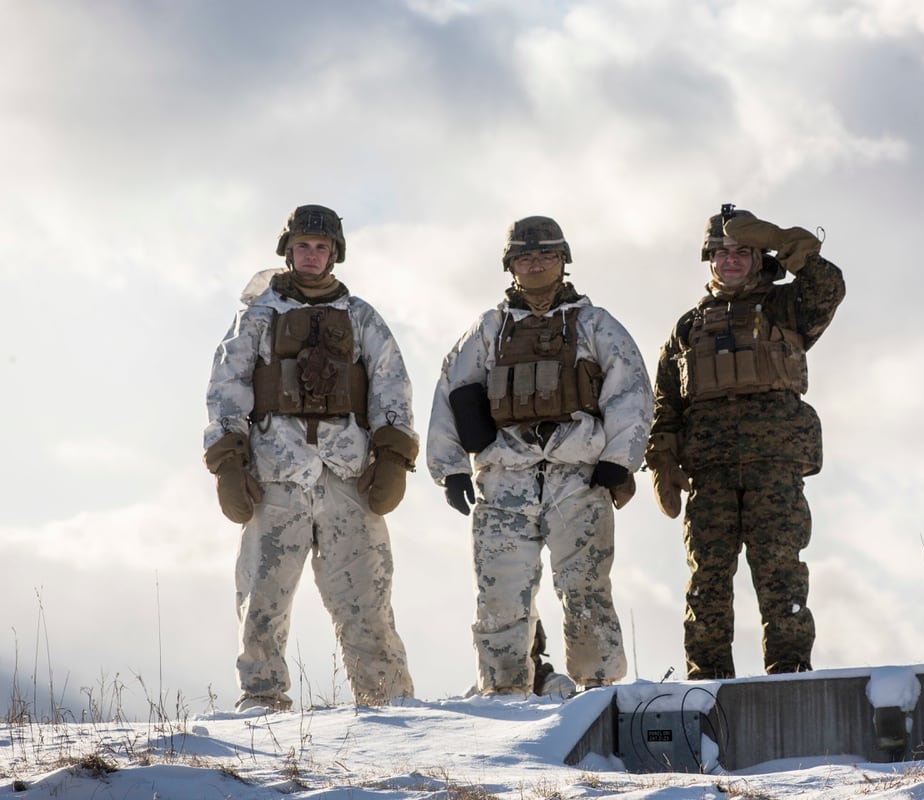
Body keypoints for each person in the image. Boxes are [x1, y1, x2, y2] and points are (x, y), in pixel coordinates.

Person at [203, 204, 420, 712]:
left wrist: (391, 455)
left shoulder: (362, 317)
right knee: (263, 596)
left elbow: (391, 384)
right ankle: (261, 698)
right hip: (275, 475)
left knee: (367, 600)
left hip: (349, 477)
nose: (312, 254)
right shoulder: (256, 317)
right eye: (303, 245)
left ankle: (388, 704)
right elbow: (226, 387)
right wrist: (228, 462)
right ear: (288, 249)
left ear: (335, 254)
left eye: (322, 247)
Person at [427, 215, 652, 695]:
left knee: (586, 589)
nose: (535, 264)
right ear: (510, 265)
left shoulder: (595, 325)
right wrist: (449, 469)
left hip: (579, 476)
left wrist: (619, 459)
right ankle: (503, 693)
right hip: (504, 477)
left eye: (546, 254)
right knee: (500, 597)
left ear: (563, 261)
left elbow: (630, 391)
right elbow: (452, 391)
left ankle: (598, 689)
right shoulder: (488, 329)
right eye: (525, 256)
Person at [645, 204, 845, 680]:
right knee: (707, 581)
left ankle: (790, 671)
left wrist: (784, 239)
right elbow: (666, 403)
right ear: (708, 260)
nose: (729, 260)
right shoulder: (688, 327)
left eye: (741, 252)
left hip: (772, 466)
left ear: (759, 259)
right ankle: (707, 680)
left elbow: (829, 286)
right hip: (709, 473)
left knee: (780, 572)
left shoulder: (785, 307)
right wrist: (663, 459)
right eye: (721, 253)